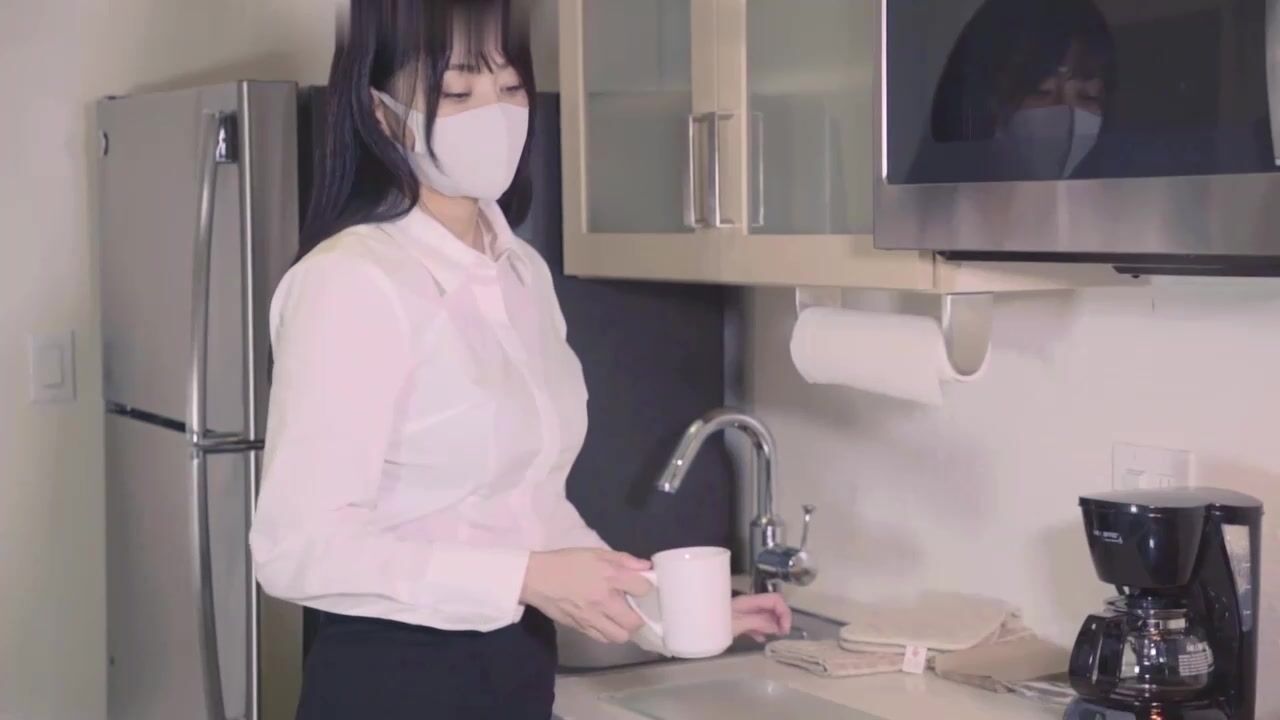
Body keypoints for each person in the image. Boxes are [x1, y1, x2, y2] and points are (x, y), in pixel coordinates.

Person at [248, 2, 791, 719]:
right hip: (393, 681)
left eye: (510, 88)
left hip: (516, 671)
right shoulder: (352, 281)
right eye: (457, 92)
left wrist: (665, 610)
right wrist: (524, 578)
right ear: (382, 115)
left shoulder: (521, 272)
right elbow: (296, 549)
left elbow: (533, 509)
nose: (495, 114)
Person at [921, 0, 1116, 181]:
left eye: (1087, 96)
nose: (1069, 113)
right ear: (990, 100)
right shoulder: (941, 198)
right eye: (1042, 91)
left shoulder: (1118, 195)